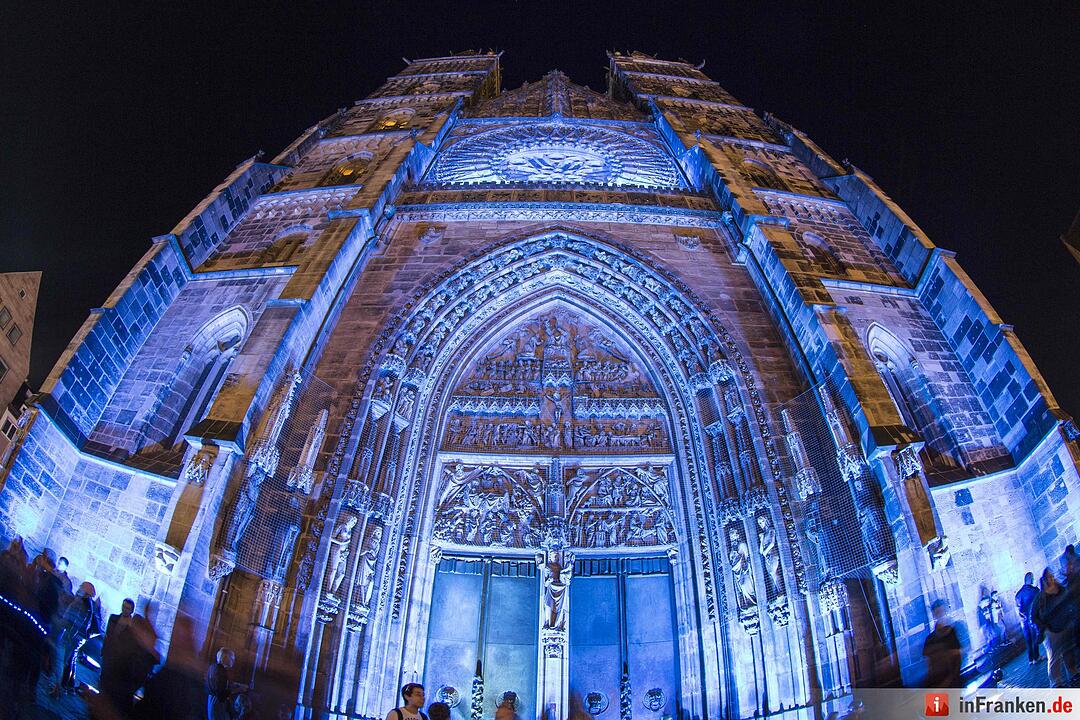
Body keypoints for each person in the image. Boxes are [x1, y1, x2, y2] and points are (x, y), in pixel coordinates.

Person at [1032, 567, 1080, 688]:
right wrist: (1043, 627)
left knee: (1068, 652)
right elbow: (1034, 616)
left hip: (1065, 626)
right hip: (1050, 631)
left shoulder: (1060, 589)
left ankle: (1073, 673)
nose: (1051, 579)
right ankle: (1056, 683)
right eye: (1048, 577)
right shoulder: (1040, 598)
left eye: (1051, 576)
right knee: (1054, 658)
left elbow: (1069, 601)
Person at [52, 580, 100, 695]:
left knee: (64, 661)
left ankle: (61, 686)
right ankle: (68, 685)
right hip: (79, 637)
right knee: (71, 659)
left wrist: (62, 627)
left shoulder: (81, 602)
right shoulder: (89, 604)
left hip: (72, 636)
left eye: (82, 587)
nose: (79, 588)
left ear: (86, 591)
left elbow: (73, 620)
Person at [100, 598, 136, 710]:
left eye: (127, 608)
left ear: (131, 610)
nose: (125, 610)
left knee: (111, 681)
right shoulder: (113, 618)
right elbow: (108, 635)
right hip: (109, 652)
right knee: (103, 676)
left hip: (119, 658)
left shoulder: (133, 627)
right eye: (124, 607)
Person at [922, 599, 962, 687]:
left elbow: (958, 658)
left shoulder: (957, 629)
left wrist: (951, 679)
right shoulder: (929, 639)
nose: (940, 615)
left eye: (942, 612)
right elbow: (929, 665)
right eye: (937, 613)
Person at [1016, 571, 1042, 663]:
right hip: (1032, 618)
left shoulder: (1018, 594)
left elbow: (1019, 609)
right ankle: (1036, 657)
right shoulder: (1034, 591)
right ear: (1031, 579)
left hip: (1023, 621)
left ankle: (1030, 659)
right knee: (1034, 637)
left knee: (1028, 640)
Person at [206, 647, 236, 720]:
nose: (233, 660)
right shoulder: (220, 671)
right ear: (225, 658)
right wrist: (234, 689)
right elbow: (221, 693)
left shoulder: (214, 667)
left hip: (213, 701)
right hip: (218, 703)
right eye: (232, 658)